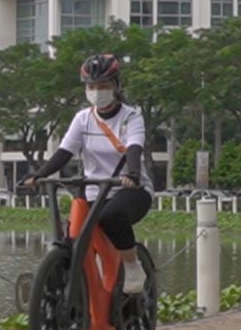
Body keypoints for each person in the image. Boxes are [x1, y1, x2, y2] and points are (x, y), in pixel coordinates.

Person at [23, 54, 153, 293]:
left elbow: (134, 148)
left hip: (129, 189)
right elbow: (65, 151)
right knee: (74, 234)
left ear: (116, 86)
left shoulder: (131, 117)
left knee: (111, 216)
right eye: (91, 87)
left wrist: (134, 174)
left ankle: (132, 266)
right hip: (94, 190)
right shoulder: (83, 118)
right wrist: (38, 175)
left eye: (103, 86)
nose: (96, 92)